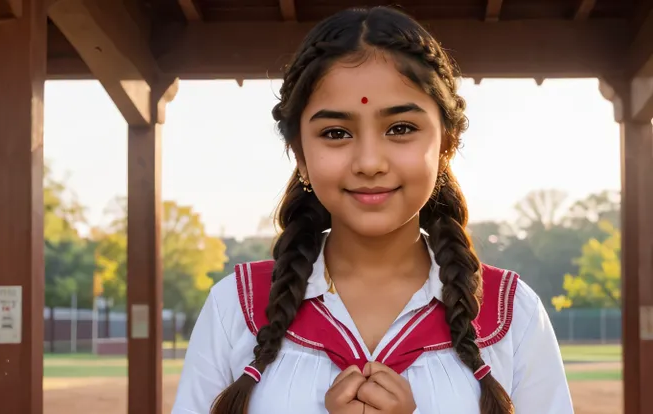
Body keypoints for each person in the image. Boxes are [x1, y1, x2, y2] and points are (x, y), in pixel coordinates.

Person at [171, 6, 573, 414]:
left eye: (400, 129)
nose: (369, 161)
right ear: (301, 155)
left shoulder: (511, 315)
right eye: (336, 133)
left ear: (446, 144)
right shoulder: (235, 309)